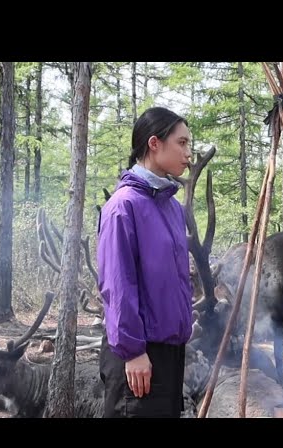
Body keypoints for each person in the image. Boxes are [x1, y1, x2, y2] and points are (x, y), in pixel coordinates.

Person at [97, 106, 193, 417]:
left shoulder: (172, 208)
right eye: (182, 143)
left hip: (169, 353)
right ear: (154, 144)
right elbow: (118, 285)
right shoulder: (123, 207)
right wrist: (133, 351)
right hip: (139, 355)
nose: (189, 153)